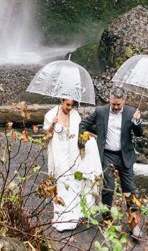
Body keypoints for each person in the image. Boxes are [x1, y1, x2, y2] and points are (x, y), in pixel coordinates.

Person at [79, 87, 143, 226]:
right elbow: (84, 124)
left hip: (125, 156)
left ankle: (134, 224)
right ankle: (107, 220)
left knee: (130, 190)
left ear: (124, 101)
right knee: (108, 189)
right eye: (113, 103)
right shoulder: (100, 111)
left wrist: (137, 122)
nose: (115, 106)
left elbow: (139, 134)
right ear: (110, 99)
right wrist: (83, 139)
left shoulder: (132, 112)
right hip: (106, 155)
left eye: (118, 104)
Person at [43, 97, 103, 231]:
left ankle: (72, 214)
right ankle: (61, 216)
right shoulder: (51, 114)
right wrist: (52, 125)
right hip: (58, 152)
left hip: (73, 152)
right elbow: (46, 135)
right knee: (62, 181)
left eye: (72, 105)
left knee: (74, 181)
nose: (70, 108)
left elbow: (80, 132)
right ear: (61, 101)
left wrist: (88, 139)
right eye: (68, 105)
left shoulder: (75, 115)